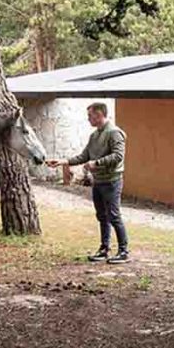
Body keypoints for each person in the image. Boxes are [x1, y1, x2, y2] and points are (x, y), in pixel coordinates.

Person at [47, 102, 129, 264]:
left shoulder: (114, 133)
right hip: (98, 181)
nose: (88, 119)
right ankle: (104, 249)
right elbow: (84, 156)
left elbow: (118, 156)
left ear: (99, 115)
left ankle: (123, 251)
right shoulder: (94, 135)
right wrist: (63, 162)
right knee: (102, 216)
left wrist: (96, 163)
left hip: (111, 181)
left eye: (90, 116)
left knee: (114, 216)